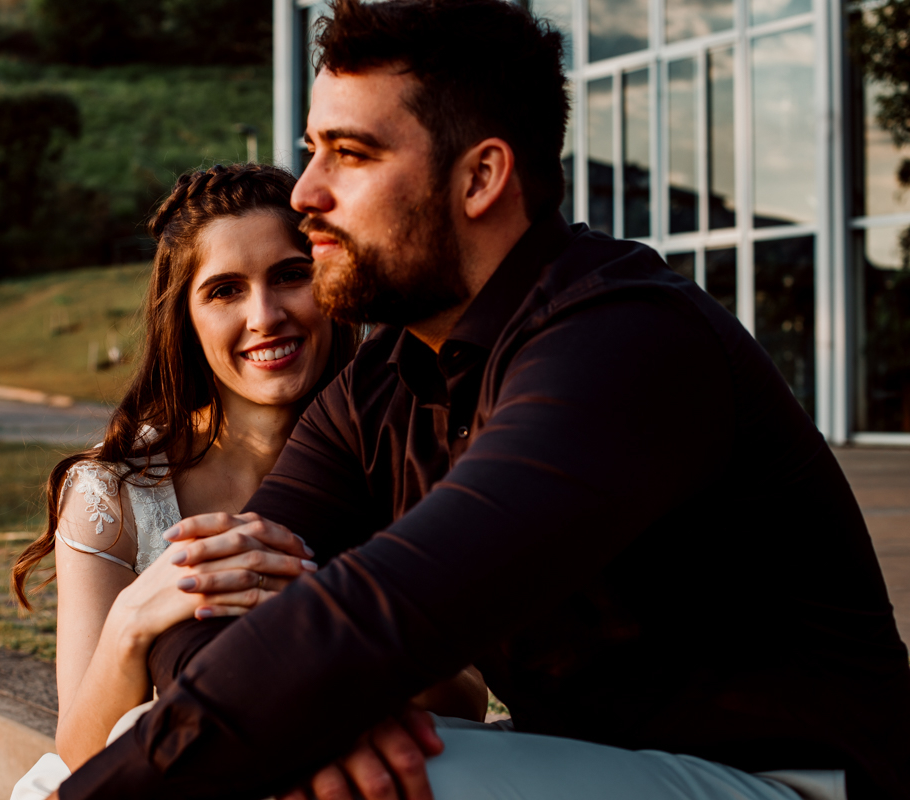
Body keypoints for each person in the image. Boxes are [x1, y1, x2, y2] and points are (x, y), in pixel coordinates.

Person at [54, 2, 910, 800]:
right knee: (263, 739)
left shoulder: (619, 347)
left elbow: (381, 617)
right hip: (600, 765)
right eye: (313, 150)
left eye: (349, 155)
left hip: (788, 782)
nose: (307, 194)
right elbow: (214, 594)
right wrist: (304, 708)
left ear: (480, 179)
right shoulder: (382, 382)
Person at [9, 163, 485, 800]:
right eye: (225, 290)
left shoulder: (400, 459)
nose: (266, 316)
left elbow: (468, 702)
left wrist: (336, 619)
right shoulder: (113, 492)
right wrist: (132, 623)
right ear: (187, 317)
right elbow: (80, 750)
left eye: (291, 276)